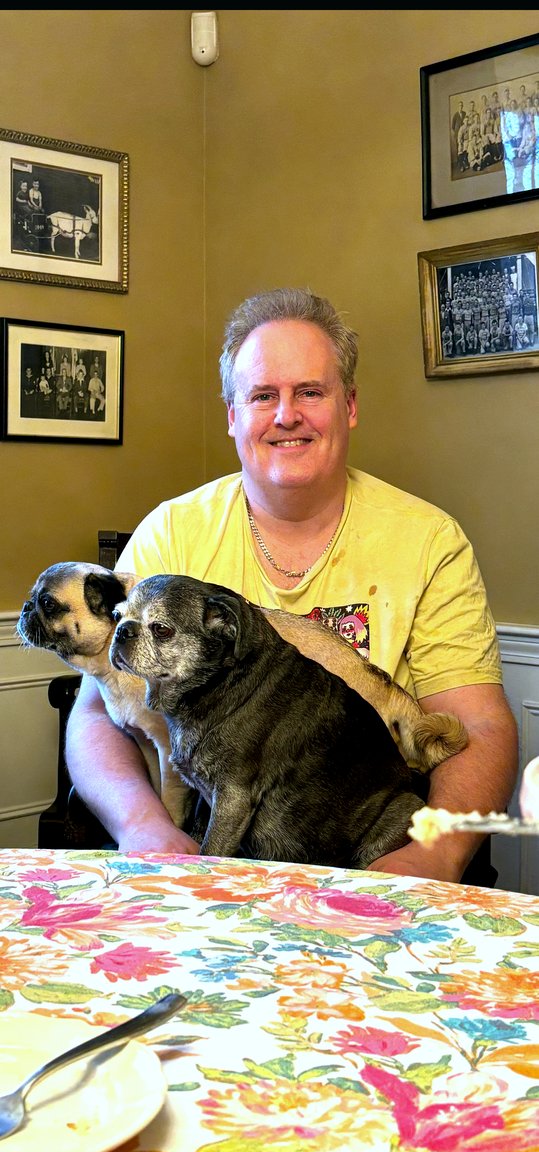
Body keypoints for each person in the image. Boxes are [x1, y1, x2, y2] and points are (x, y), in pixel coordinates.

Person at [65, 287, 518, 881]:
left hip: (370, 861)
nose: (286, 415)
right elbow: (95, 716)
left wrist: (432, 856)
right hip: (195, 863)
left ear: (349, 405)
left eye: (310, 392)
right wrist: (142, 825)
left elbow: (480, 729)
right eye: (262, 396)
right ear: (232, 416)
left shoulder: (429, 541)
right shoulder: (172, 532)